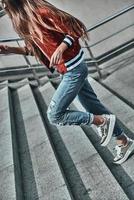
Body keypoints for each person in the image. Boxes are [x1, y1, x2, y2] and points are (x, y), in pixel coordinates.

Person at [0, 0, 134, 164]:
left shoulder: (42, 12)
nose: (2, 5)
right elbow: (33, 50)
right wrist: (10, 50)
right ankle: (124, 141)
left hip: (74, 70)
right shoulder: (24, 21)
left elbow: (75, 28)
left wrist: (61, 48)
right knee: (93, 107)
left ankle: (101, 121)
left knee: (54, 114)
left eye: (2, 1)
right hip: (67, 71)